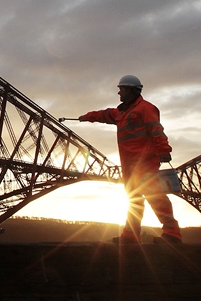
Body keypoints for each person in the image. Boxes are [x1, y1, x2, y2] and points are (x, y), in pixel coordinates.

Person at [78, 75, 182, 244]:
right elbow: (104, 114)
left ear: (131, 90)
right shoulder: (122, 113)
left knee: (155, 197)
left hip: (145, 162)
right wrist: (87, 117)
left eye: (122, 89)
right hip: (129, 165)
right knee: (134, 199)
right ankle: (130, 235)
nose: (119, 92)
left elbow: (156, 130)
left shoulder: (146, 109)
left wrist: (164, 150)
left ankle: (172, 233)